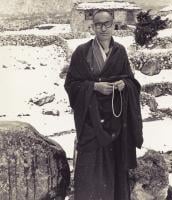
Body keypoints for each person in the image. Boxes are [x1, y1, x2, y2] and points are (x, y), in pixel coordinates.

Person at [64, 9, 143, 200]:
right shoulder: (82, 52)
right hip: (91, 121)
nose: (103, 28)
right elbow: (71, 85)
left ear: (113, 24)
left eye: (107, 24)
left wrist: (125, 84)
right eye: (98, 25)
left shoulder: (120, 51)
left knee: (116, 169)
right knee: (90, 169)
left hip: (116, 121)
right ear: (92, 27)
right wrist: (94, 86)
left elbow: (132, 81)